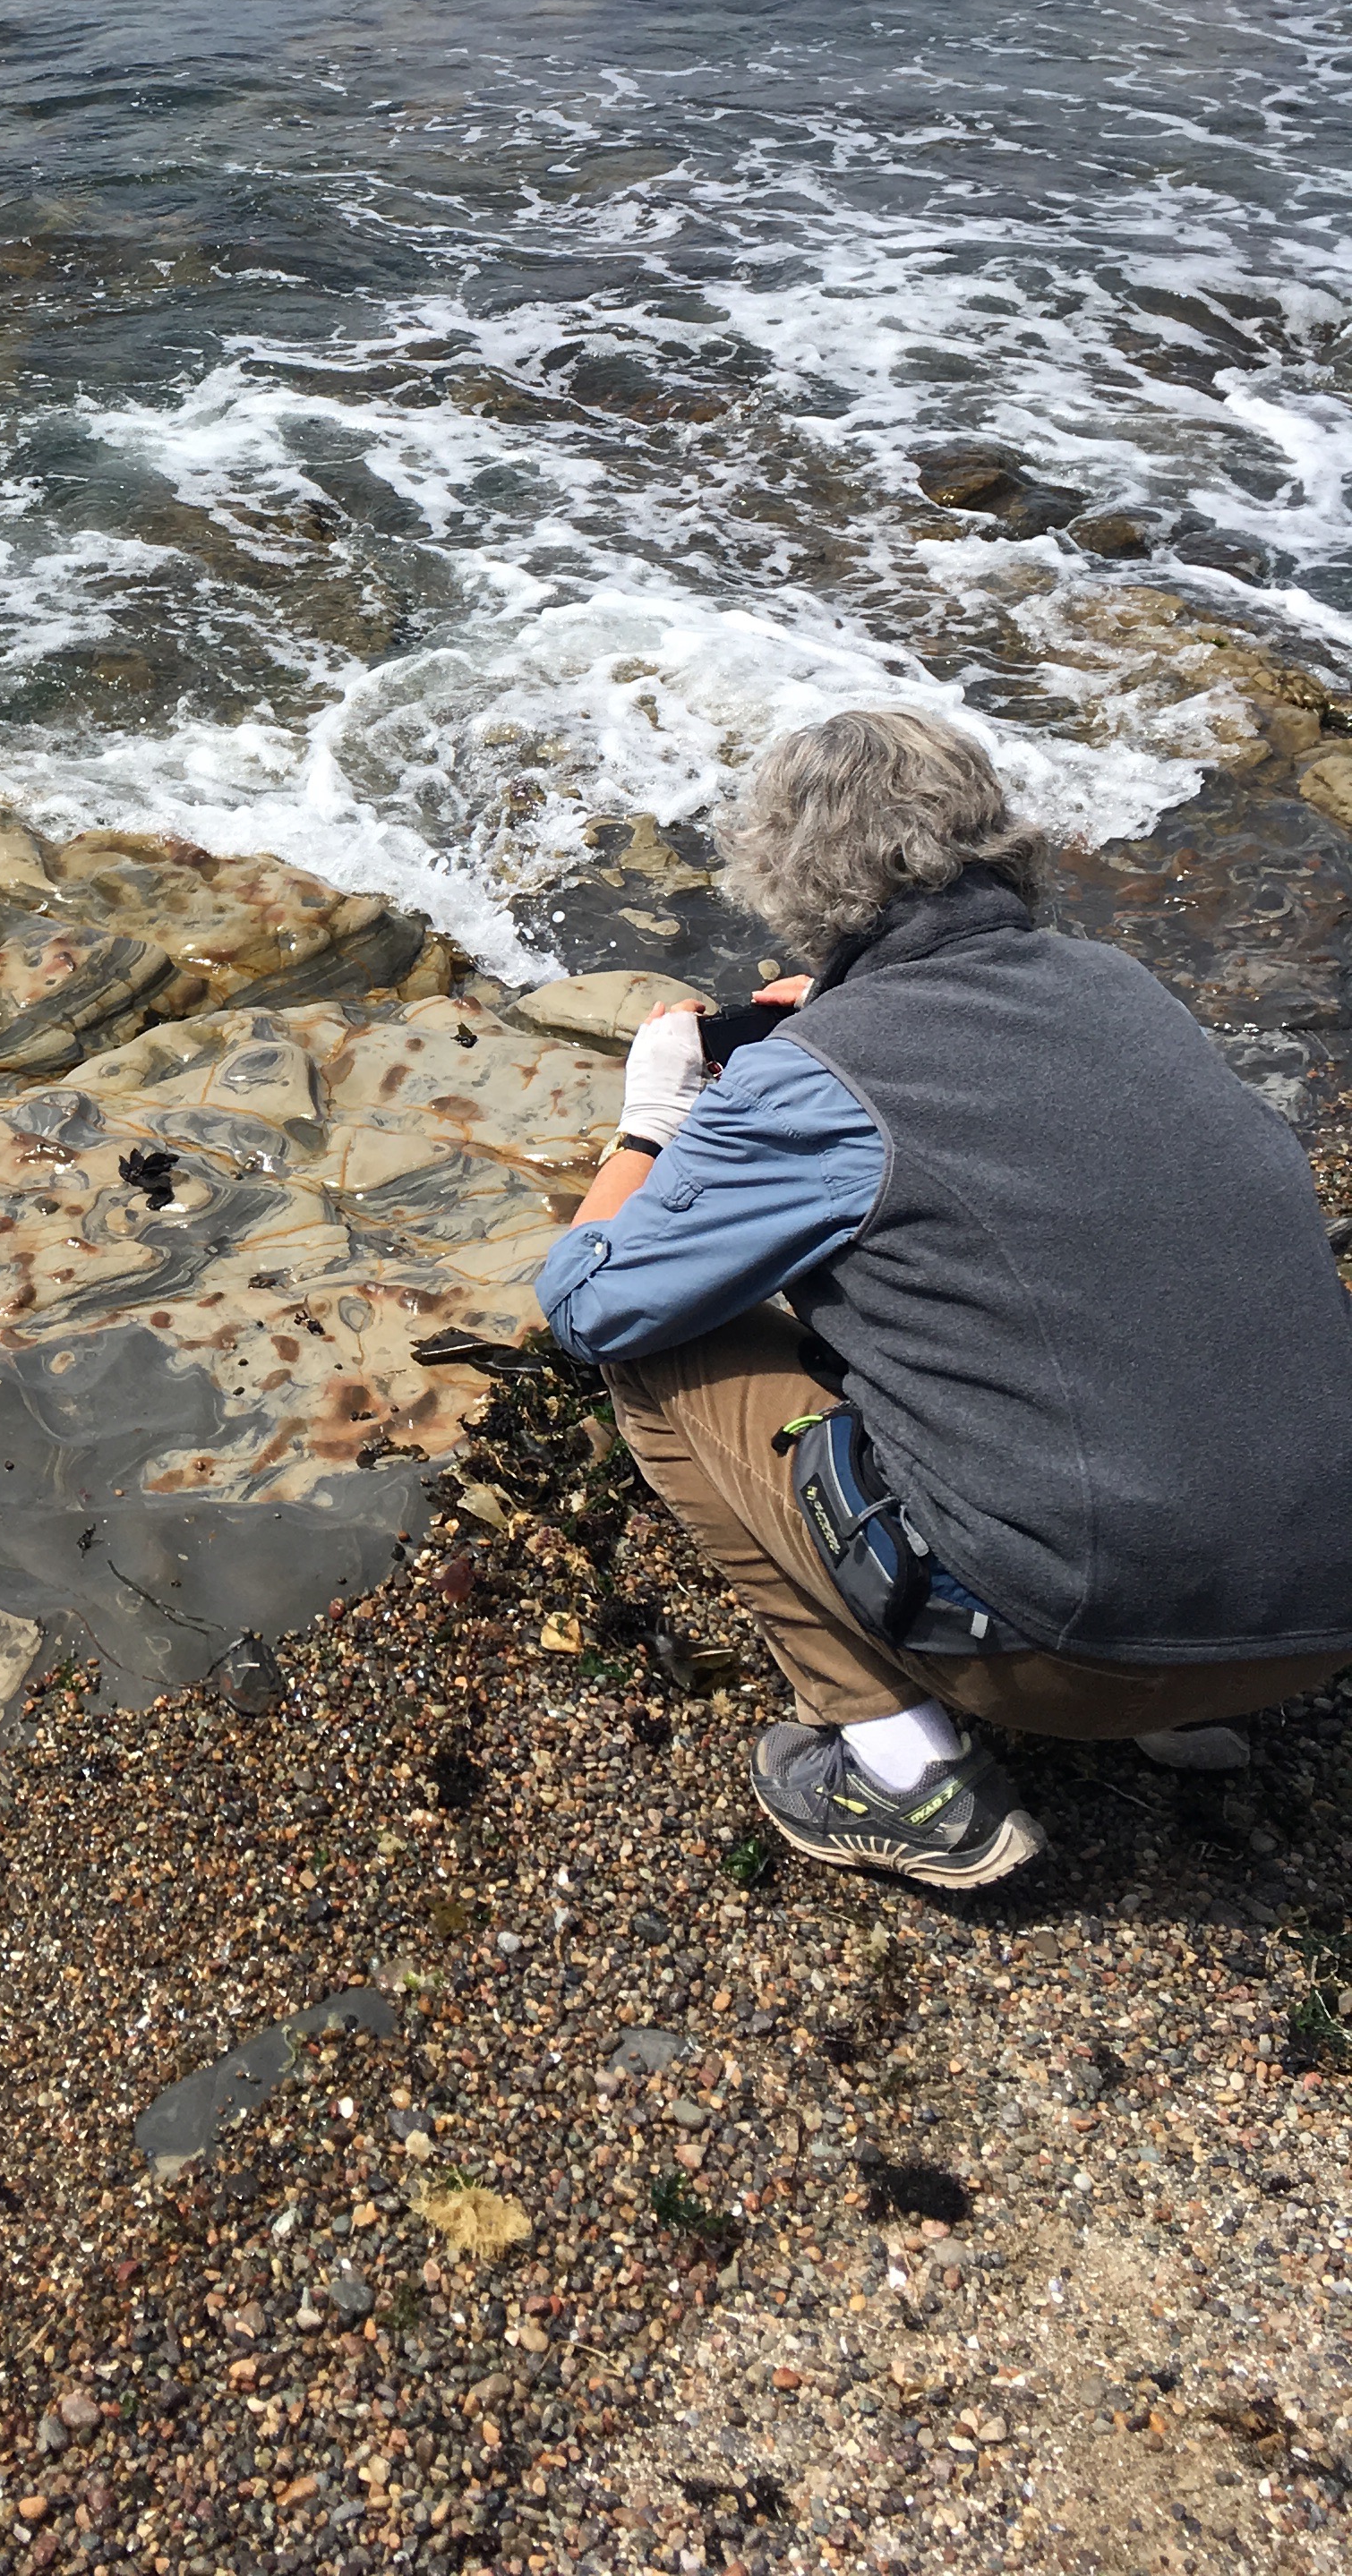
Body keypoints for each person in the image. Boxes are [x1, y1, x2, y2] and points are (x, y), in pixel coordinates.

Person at [535, 706, 1352, 1889]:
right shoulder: (1120, 987)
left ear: (785, 868)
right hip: (1318, 1616)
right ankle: (1173, 1696)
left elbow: (591, 1303)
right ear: (993, 834)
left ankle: (904, 1774)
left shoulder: (814, 1082)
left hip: (1086, 1639)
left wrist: (654, 1124)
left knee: (657, 1360)